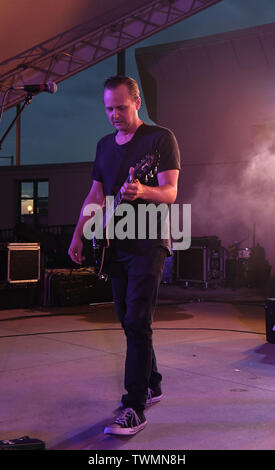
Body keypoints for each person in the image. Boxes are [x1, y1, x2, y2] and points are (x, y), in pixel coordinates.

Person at [68, 75, 180, 435]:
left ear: (137, 102)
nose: (114, 114)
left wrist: (143, 190)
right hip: (116, 244)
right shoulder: (104, 146)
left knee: (136, 321)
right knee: (128, 320)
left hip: (149, 242)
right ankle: (153, 382)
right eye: (108, 108)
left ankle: (134, 406)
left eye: (120, 107)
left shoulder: (161, 138)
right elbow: (95, 196)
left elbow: (171, 192)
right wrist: (79, 233)